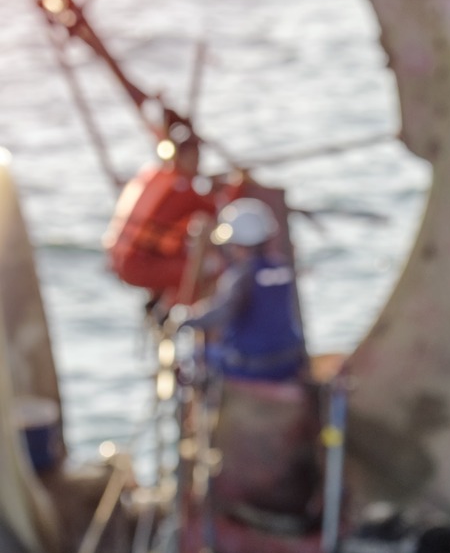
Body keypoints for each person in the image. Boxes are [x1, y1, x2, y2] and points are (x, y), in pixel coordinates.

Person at [179, 198, 307, 383]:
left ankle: (207, 406)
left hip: (253, 367)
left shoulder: (242, 275)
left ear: (237, 243)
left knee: (198, 354)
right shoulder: (283, 269)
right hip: (288, 363)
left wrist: (186, 320)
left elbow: (221, 313)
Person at [103, 125, 225, 313]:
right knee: (212, 267)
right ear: (181, 157)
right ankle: (185, 315)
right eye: (194, 156)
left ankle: (162, 304)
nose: (197, 163)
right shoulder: (184, 190)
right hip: (140, 266)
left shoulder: (153, 176)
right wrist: (234, 187)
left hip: (122, 262)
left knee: (185, 255)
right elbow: (219, 210)